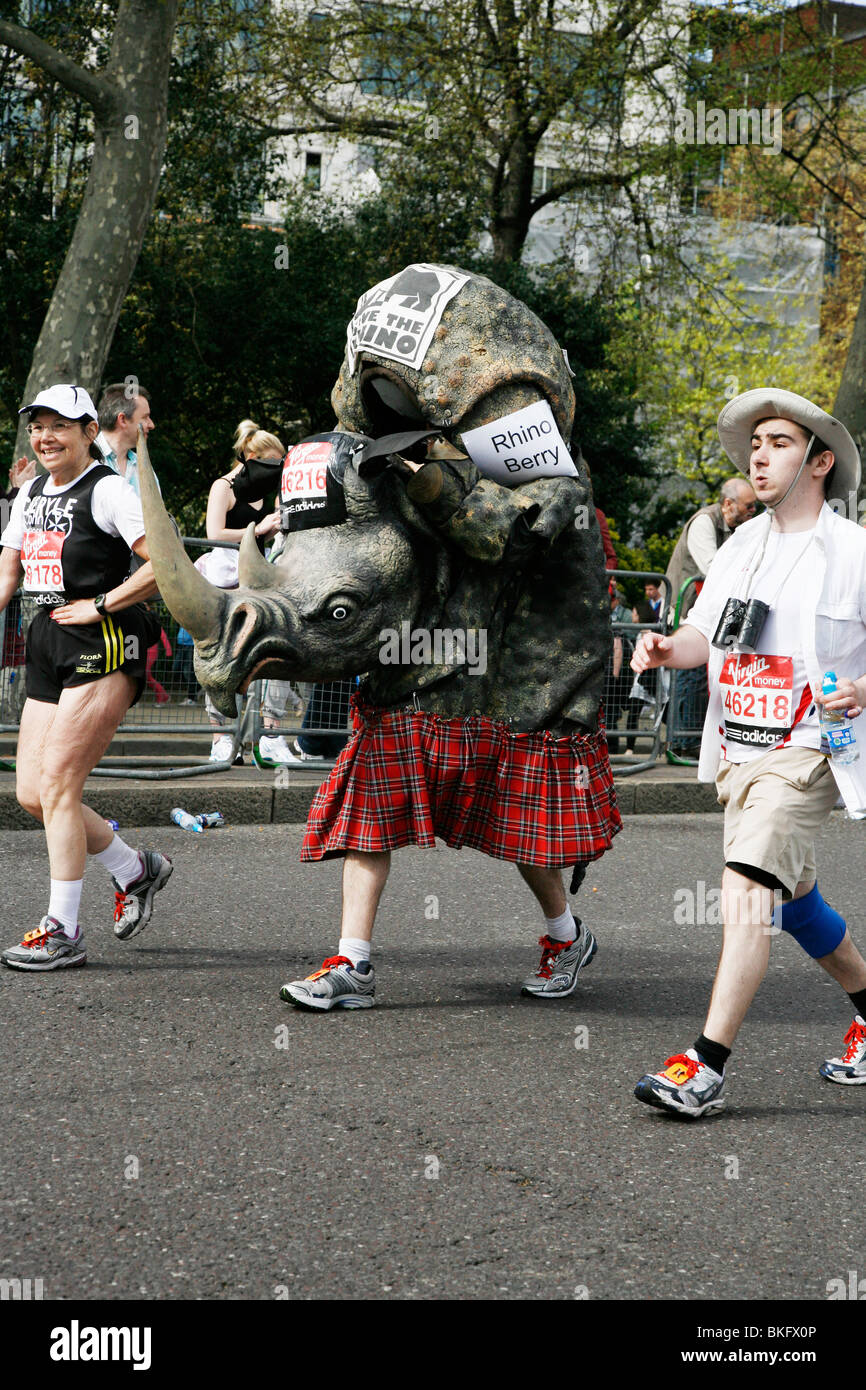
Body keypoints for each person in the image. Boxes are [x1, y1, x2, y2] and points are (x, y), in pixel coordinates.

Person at [631, 388, 866, 1115]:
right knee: (794, 905)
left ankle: (703, 1066)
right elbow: (707, 633)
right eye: (755, 443)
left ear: (821, 460)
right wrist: (668, 648)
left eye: (779, 442)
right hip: (739, 752)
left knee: (745, 894)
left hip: (809, 752)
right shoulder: (741, 547)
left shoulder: (855, 552)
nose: (759, 455)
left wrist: (859, 688)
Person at [0, 384, 172, 971]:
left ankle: (63, 929)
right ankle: (134, 869)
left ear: (88, 432)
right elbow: (11, 564)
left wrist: (102, 604)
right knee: (32, 794)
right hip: (47, 642)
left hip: (101, 642)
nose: (45, 437)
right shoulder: (31, 493)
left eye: (60, 426)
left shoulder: (109, 491)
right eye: (38, 426)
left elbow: (167, 564)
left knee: (59, 787)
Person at [201, 419, 283, 764]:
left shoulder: (273, 491)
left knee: (275, 653)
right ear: (251, 456)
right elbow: (214, 532)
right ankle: (221, 738)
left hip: (259, 580)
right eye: (272, 463)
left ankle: (271, 734)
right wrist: (257, 528)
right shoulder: (224, 486)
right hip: (223, 580)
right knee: (221, 655)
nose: (277, 470)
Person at [666, 478, 757, 757]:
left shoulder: (736, 527)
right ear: (728, 504)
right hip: (687, 611)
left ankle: (690, 737)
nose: (754, 511)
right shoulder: (704, 522)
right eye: (749, 506)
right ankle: (682, 742)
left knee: (700, 678)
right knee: (689, 677)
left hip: (710, 611)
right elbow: (714, 567)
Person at [94, 382, 158, 497]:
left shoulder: (143, 467)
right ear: (122, 420)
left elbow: (156, 514)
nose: (151, 425)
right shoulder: (84, 459)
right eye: (145, 417)